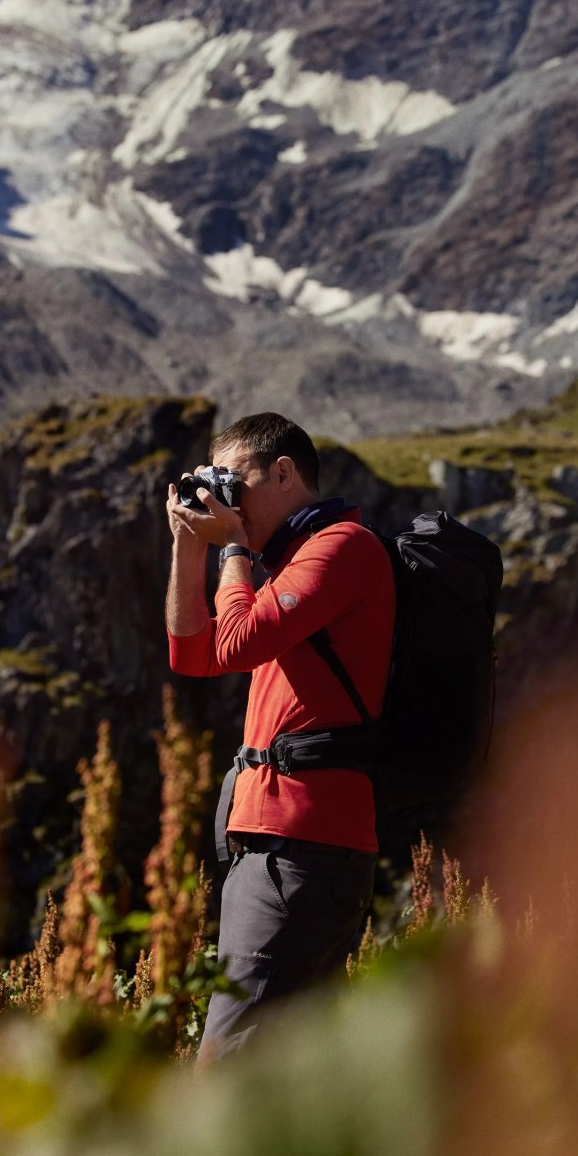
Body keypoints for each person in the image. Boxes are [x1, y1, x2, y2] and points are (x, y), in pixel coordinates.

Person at [165, 411, 395, 1058]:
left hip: (303, 838)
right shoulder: (284, 565)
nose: (224, 498)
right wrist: (189, 543)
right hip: (270, 836)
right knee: (285, 1070)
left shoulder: (342, 547)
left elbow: (235, 642)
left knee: (228, 1065)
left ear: (284, 473)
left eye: (233, 481)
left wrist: (232, 547)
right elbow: (192, 654)